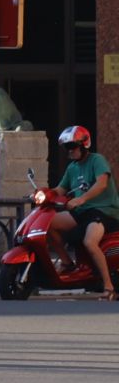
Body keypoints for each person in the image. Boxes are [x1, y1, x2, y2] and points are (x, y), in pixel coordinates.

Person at [52, 125, 117, 299]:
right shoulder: (72, 168)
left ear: (84, 145)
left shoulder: (97, 160)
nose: (69, 151)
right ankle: (67, 263)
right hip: (82, 212)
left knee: (90, 242)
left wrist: (81, 199)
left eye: (72, 146)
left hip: (102, 210)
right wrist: (43, 193)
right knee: (49, 224)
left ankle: (108, 285)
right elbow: (60, 189)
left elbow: (102, 183)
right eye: (67, 147)